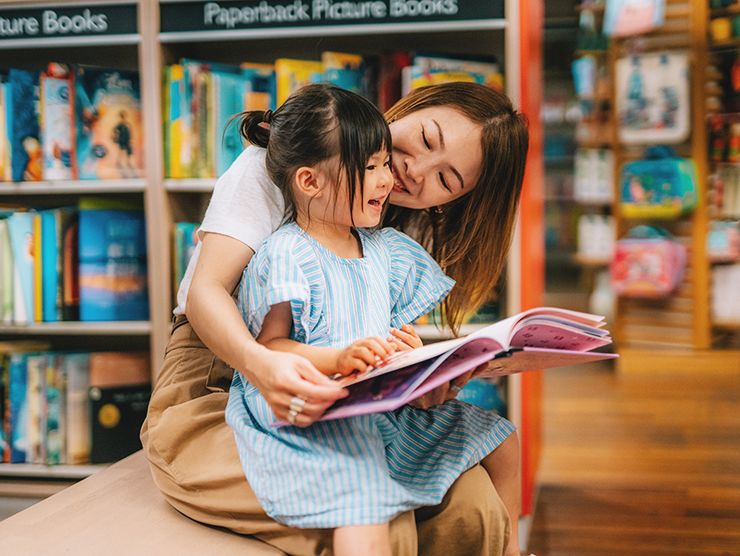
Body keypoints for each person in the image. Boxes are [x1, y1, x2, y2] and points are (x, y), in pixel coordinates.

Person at [141, 81, 528, 556]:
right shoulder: (282, 168)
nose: (412, 171)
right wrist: (262, 364)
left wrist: (413, 380)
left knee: (475, 507)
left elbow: (364, 338)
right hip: (220, 381)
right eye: (426, 138)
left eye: (446, 181)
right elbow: (208, 292)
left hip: (341, 400)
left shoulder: (390, 218)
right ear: (410, 105)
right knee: (382, 521)